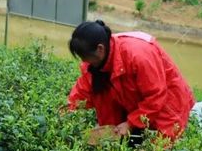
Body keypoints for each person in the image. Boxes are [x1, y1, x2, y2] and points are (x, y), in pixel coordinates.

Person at [67, 20, 195, 142]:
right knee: (114, 145)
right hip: (136, 104)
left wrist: (130, 123)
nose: (84, 61)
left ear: (100, 49)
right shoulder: (94, 63)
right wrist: (64, 114)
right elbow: (82, 93)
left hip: (168, 105)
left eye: (85, 57)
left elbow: (156, 96)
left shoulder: (138, 55)